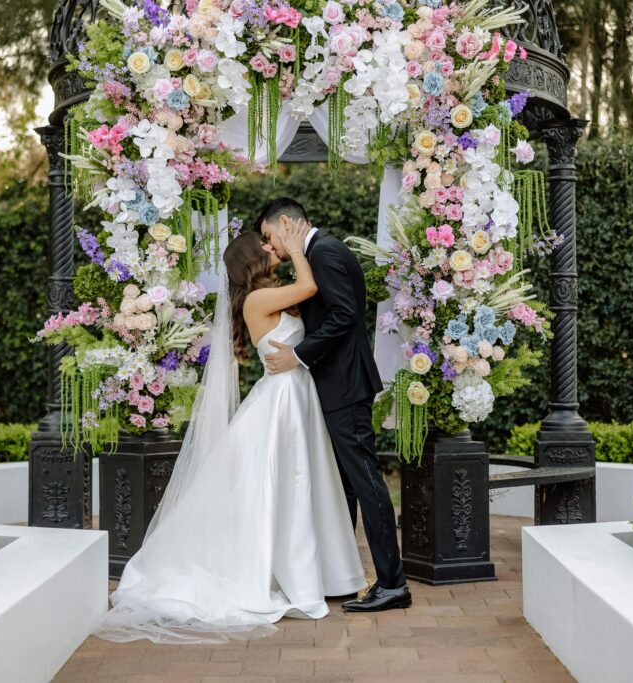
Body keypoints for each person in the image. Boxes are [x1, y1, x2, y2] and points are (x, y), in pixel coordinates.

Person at [94, 219, 367, 644]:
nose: (269, 246)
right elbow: (310, 289)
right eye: (264, 244)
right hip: (281, 402)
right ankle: (287, 574)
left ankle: (321, 572)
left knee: (304, 484)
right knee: (285, 484)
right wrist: (296, 247)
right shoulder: (257, 300)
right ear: (253, 260)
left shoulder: (267, 295)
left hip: (297, 396)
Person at [259, 198, 411, 613]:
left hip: (344, 384)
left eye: (269, 237)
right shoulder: (318, 251)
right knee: (345, 484)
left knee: (365, 480)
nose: (269, 247)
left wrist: (299, 354)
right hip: (336, 385)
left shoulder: (323, 252)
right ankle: (341, 574)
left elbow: (344, 316)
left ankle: (393, 584)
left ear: (286, 222)